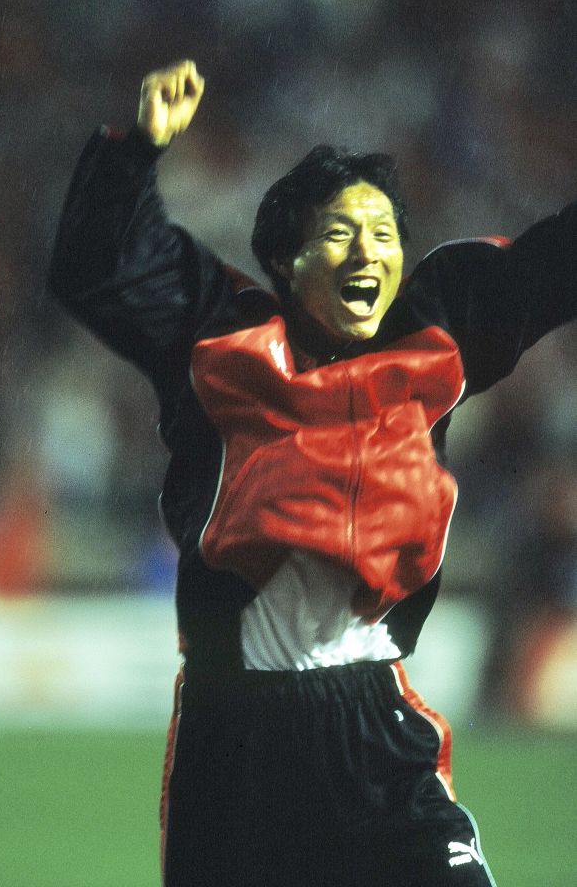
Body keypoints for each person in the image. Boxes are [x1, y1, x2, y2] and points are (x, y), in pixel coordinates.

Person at [49, 60, 576, 887]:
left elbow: (553, 263)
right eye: (338, 233)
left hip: (378, 728)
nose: (368, 251)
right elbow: (93, 269)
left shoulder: (438, 328)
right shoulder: (216, 337)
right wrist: (135, 150)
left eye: (384, 233)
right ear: (284, 259)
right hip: (236, 745)